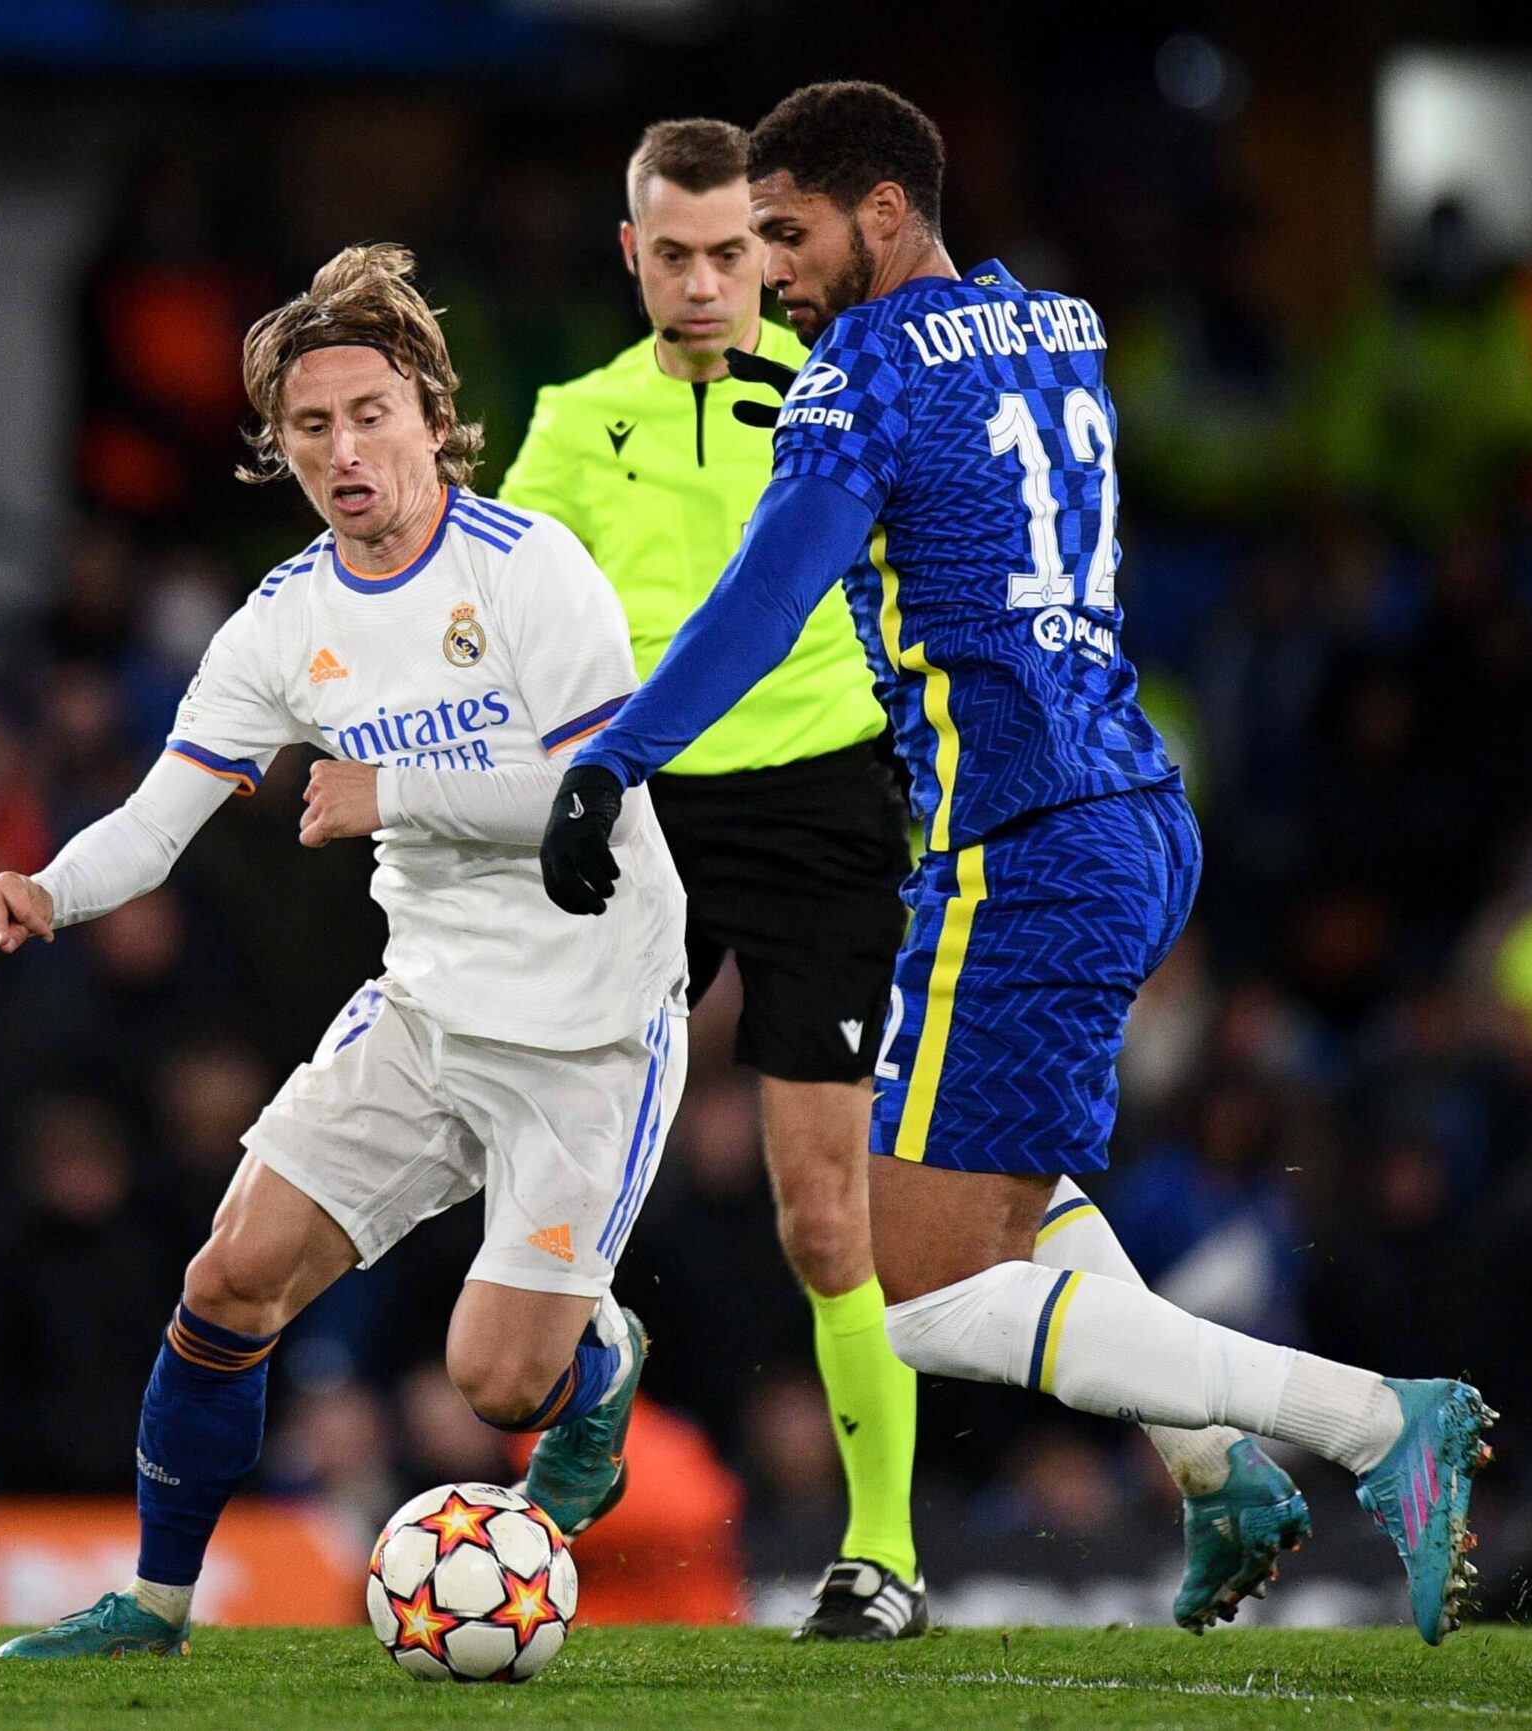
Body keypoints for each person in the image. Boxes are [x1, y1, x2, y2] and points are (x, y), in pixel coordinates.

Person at [540, 82, 1496, 1646]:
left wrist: (615, 758)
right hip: (1125, 809)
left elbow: (769, 599)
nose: (771, 272)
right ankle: (1217, 1474)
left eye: (787, 233)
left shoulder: (862, 370)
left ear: (886, 211)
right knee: (1003, 1193)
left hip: (1025, 848)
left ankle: (1379, 1422)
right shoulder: (1058, 325)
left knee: (921, 1293)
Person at [0, 244, 688, 1661]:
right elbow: (155, 821)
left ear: (430, 417)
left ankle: (598, 1358)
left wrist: (388, 791)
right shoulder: (284, 623)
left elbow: (597, 794)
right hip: (426, 1011)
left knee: (496, 1382)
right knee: (229, 1280)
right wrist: (47, 888)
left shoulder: (530, 570)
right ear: (278, 448)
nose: (344, 451)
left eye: (368, 416)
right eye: (310, 427)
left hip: (591, 1024)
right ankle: (155, 1608)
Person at [497, 117, 920, 1640]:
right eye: (671, 254)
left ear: (770, 247)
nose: (700, 283)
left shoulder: (844, 390)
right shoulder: (572, 422)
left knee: (825, 1215)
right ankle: (591, 1388)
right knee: (554, 1150)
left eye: (731, 252)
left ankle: (882, 1553)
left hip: (822, 812)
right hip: (643, 811)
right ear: (632, 252)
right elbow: (500, 622)